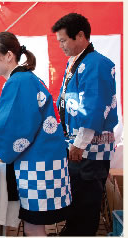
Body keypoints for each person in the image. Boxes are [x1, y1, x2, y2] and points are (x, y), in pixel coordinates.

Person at [0, 32, 72, 236]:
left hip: (38, 165)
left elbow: (15, 129)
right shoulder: (25, 77)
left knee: (34, 226)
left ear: (8, 56)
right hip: (46, 160)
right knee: (34, 224)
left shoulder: (19, 81)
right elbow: (19, 122)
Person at [52, 13, 118, 236]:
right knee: (76, 194)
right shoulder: (77, 62)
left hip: (89, 147)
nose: (61, 45)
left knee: (87, 199)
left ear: (80, 35)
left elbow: (93, 106)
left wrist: (79, 144)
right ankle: (72, 230)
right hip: (77, 143)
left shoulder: (96, 64)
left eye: (63, 40)